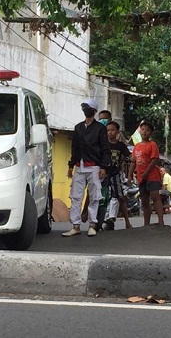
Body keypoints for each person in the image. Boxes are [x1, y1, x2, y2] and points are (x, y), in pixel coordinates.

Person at [63, 99, 110, 237]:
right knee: (76, 196)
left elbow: (105, 149)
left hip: (94, 167)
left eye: (87, 108)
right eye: (84, 107)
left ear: (94, 111)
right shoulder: (78, 127)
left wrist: (103, 167)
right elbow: (75, 148)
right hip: (79, 166)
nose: (85, 110)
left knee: (94, 196)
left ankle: (92, 225)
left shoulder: (100, 129)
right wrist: (71, 165)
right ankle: (75, 226)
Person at [129, 121, 165, 226]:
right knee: (144, 200)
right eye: (143, 129)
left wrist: (146, 173)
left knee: (155, 197)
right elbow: (133, 162)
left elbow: (154, 161)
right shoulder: (136, 146)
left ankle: (161, 221)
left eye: (147, 130)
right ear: (140, 131)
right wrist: (130, 175)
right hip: (140, 176)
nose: (144, 132)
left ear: (151, 133)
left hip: (152, 175)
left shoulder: (152, 145)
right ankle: (146, 223)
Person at [103, 120, 133, 231]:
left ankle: (127, 222)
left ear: (117, 132)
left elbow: (129, 156)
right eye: (108, 130)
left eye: (112, 130)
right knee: (100, 196)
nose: (110, 132)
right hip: (103, 173)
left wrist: (132, 159)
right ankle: (97, 220)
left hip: (115, 174)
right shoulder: (103, 144)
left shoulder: (121, 146)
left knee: (120, 197)